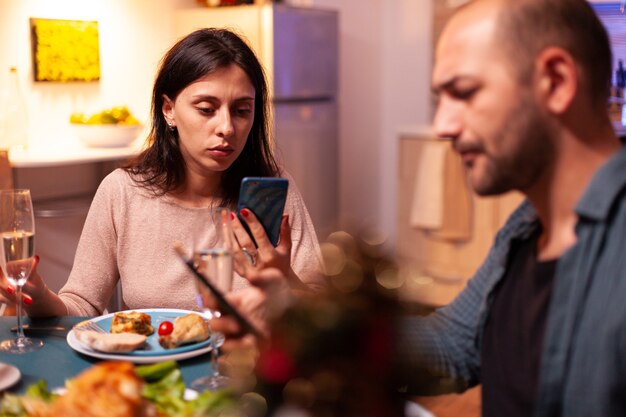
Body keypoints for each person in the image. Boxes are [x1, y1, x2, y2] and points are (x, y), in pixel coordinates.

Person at [214, 0, 626, 415]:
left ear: (555, 82)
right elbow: (452, 345)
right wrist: (298, 319)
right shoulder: (527, 227)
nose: (443, 125)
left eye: (463, 93)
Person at [0, 28, 325, 317]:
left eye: (242, 111)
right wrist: (40, 298)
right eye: (206, 109)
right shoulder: (121, 192)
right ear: (168, 109)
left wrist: (286, 281)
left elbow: (325, 314)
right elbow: (82, 304)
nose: (226, 128)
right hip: (149, 376)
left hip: (241, 377)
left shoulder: (271, 193)